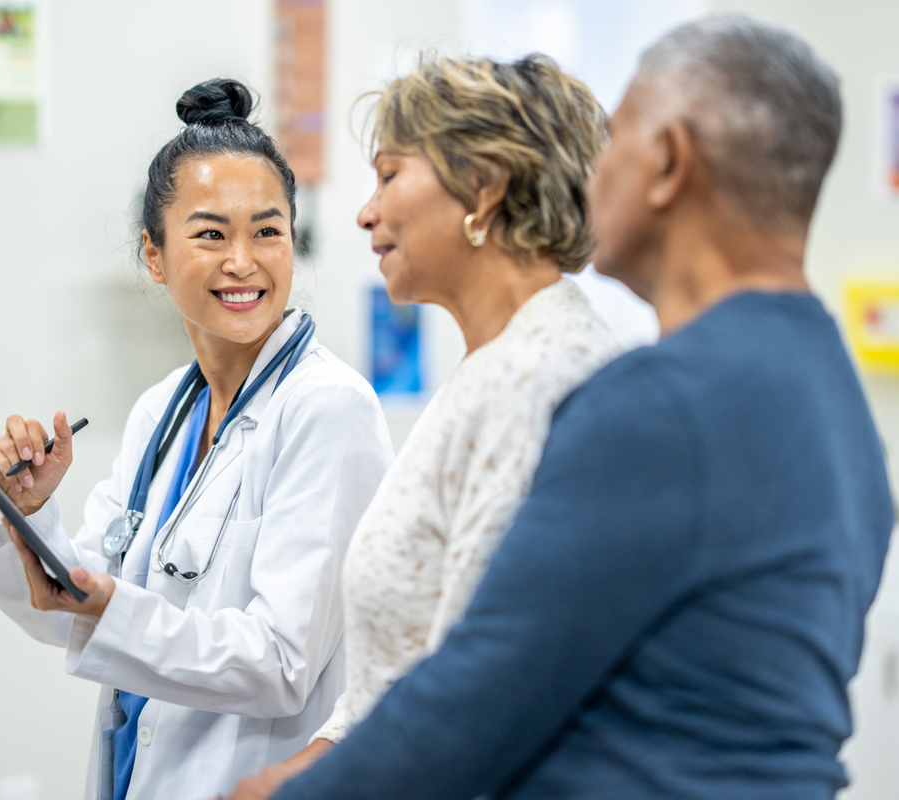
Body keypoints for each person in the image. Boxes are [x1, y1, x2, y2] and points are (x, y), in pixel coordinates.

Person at [266, 15, 895, 800]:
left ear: (668, 163)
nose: (590, 175)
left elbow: (472, 709)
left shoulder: (659, 406)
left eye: (616, 137)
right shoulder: (831, 394)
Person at [0, 78, 394, 800]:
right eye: (211, 233)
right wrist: (28, 514)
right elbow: (75, 608)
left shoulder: (327, 410)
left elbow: (281, 664)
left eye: (268, 230)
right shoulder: (163, 409)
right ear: (154, 257)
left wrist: (105, 607)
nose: (243, 260)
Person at [226, 55, 623, 799]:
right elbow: (400, 672)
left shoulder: (540, 380)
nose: (364, 211)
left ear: (484, 186)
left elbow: (483, 697)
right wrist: (306, 765)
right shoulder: (486, 372)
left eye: (388, 174)